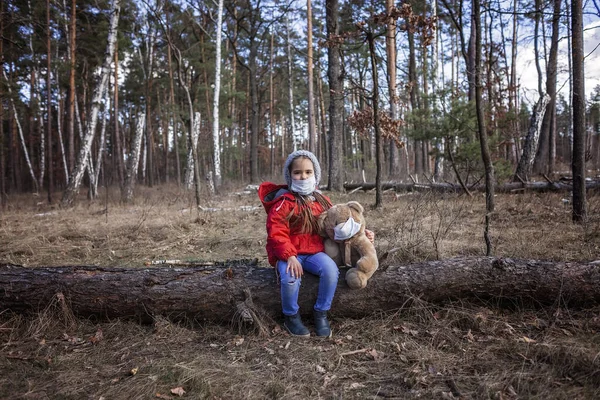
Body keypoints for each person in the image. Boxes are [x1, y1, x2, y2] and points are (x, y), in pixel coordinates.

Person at [258, 150, 337, 338]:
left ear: (315, 174)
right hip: (288, 253)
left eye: (308, 172)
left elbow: (335, 223)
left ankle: (321, 313)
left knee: (331, 271)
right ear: (290, 175)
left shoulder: (321, 201)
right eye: (298, 172)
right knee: (290, 278)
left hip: (314, 252)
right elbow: (276, 232)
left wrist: (358, 232)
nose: (303, 176)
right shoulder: (284, 202)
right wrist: (289, 256)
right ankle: (291, 316)